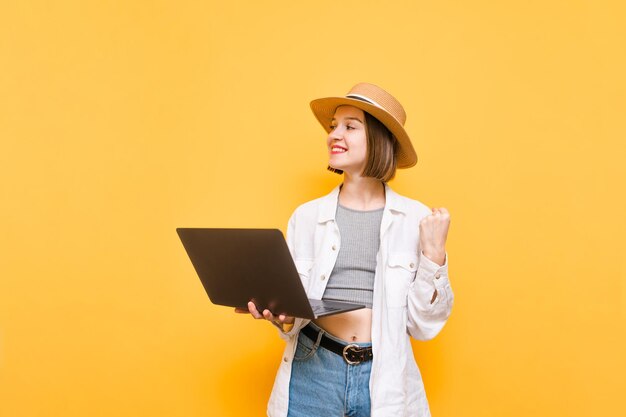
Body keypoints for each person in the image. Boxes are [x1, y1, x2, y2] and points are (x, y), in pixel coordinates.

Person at [235, 82, 454, 417]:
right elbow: (293, 315)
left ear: (380, 139)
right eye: (333, 126)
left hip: (384, 374)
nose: (334, 134)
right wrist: (280, 315)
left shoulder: (417, 219)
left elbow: (424, 326)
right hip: (313, 370)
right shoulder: (305, 218)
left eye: (350, 126)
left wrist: (434, 255)